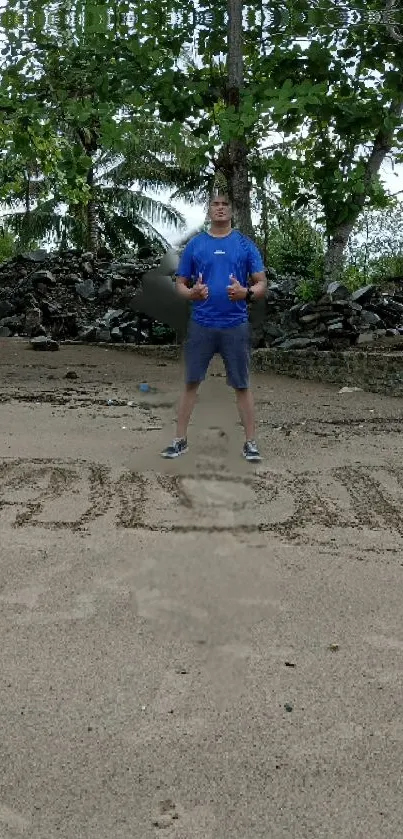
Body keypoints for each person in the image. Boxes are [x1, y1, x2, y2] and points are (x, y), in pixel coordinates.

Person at [161, 193, 267, 462]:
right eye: (215, 205)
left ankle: (250, 443)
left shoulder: (244, 245)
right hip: (202, 324)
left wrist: (246, 293)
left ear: (232, 210)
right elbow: (180, 285)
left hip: (235, 325)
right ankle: (179, 440)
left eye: (225, 205)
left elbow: (261, 283)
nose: (220, 209)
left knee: (242, 385)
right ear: (208, 211)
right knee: (191, 382)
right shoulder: (196, 246)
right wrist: (193, 293)